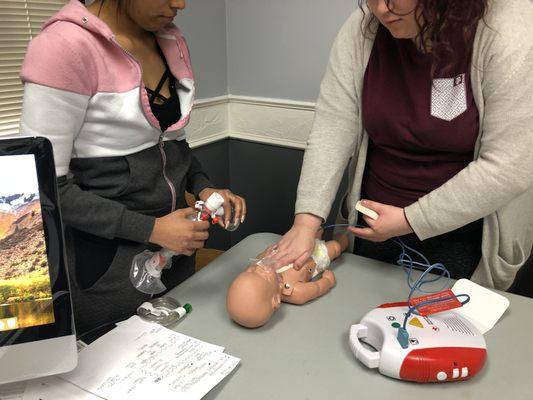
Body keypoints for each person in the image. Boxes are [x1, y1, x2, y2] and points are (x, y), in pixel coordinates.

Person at [18, 0, 246, 335]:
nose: (180, 4)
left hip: (173, 255)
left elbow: (173, 143)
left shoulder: (168, 41)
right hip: (105, 270)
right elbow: (46, 189)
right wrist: (152, 230)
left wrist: (203, 186)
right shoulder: (63, 48)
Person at [274, 0, 533, 291]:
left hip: (465, 241)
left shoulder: (509, 28)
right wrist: (306, 223)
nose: (381, 9)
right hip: (372, 230)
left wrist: (411, 218)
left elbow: (509, 165)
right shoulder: (363, 28)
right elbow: (332, 129)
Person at [226, 236, 347, 328]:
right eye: (266, 277)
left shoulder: (260, 265)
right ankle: (345, 239)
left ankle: (316, 232)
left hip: (295, 242)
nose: (259, 268)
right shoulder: (295, 291)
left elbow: (259, 258)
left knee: (312, 232)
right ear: (276, 300)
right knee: (335, 247)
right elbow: (316, 288)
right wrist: (327, 281)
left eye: (251, 270)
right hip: (316, 255)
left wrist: (266, 253)